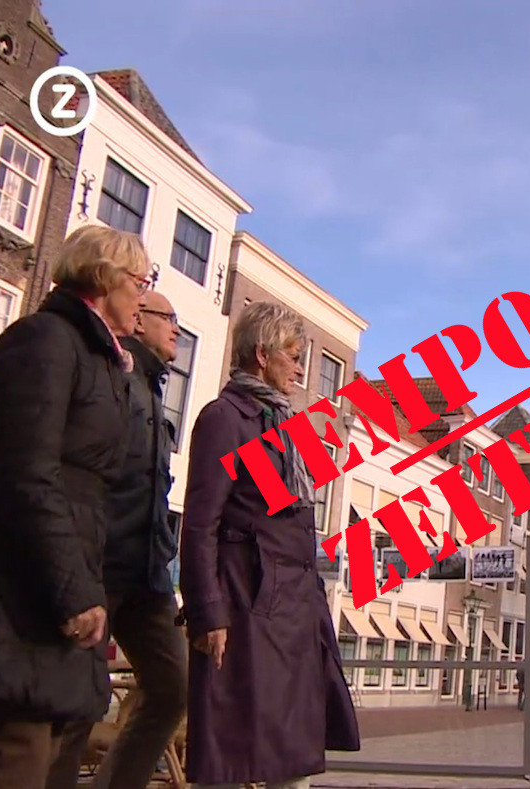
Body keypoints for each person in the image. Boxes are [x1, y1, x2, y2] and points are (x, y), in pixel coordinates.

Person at [0, 224, 152, 787]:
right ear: (105, 278)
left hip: (53, 569)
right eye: (140, 281)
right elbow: (27, 472)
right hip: (22, 580)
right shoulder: (45, 340)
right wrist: (74, 590)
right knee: (13, 753)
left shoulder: (97, 358)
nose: (143, 295)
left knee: (36, 748)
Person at [179, 301, 359, 787]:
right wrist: (207, 611)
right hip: (247, 603)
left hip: (294, 607)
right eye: (293, 355)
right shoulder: (224, 418)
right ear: (262, 354)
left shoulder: (282, 423)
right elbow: (200, 524)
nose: (301, 368)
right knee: (230, 753)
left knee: (293, 754)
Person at [45, 291, 187, 789]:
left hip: (146, 575)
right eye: (168, 317)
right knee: (79, 702)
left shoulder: (152, 388)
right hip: (100, 566)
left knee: (173, 687)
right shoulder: (113, 376)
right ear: (139, 320)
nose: (176, 328)